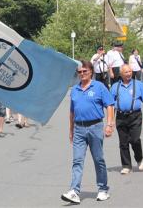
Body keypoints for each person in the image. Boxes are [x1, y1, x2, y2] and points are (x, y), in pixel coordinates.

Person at [61, 60, 114, 204]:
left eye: (85, 71)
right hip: (79, 128)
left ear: (91, 71)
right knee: (77, 160)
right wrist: (71, 130)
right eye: (79, 72)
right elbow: (72, 111)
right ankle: (74, 191)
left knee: (98, 159)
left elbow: (109, 105)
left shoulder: (99, 87)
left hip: (95, 127)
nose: (82, 74)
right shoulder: (75, 90)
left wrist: (109, 124)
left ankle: (103, 189)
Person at [110, 64, 143, 174]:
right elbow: (110, 105)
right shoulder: (115, 86)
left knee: (135, 139)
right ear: (121, 74)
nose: (129, 74)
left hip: (135, 116)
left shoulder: (138, 85)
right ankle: (126, 165)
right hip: (120, 116)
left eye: (130, 71)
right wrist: (110, 121)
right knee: (123, 142)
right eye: (126, 72)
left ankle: (139, 159)